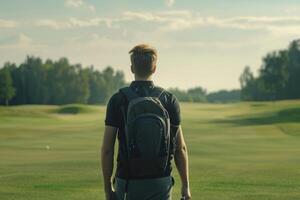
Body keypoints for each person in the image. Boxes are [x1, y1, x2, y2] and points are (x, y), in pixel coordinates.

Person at [101, 44, 191, 200]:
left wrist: (108, 188)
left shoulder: (118, 100)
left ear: (132, 68)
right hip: (160, 181)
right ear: (154, 68)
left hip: (127, 181)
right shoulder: (168, 100)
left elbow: (107, 149)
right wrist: (186, 186)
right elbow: (180, 148)